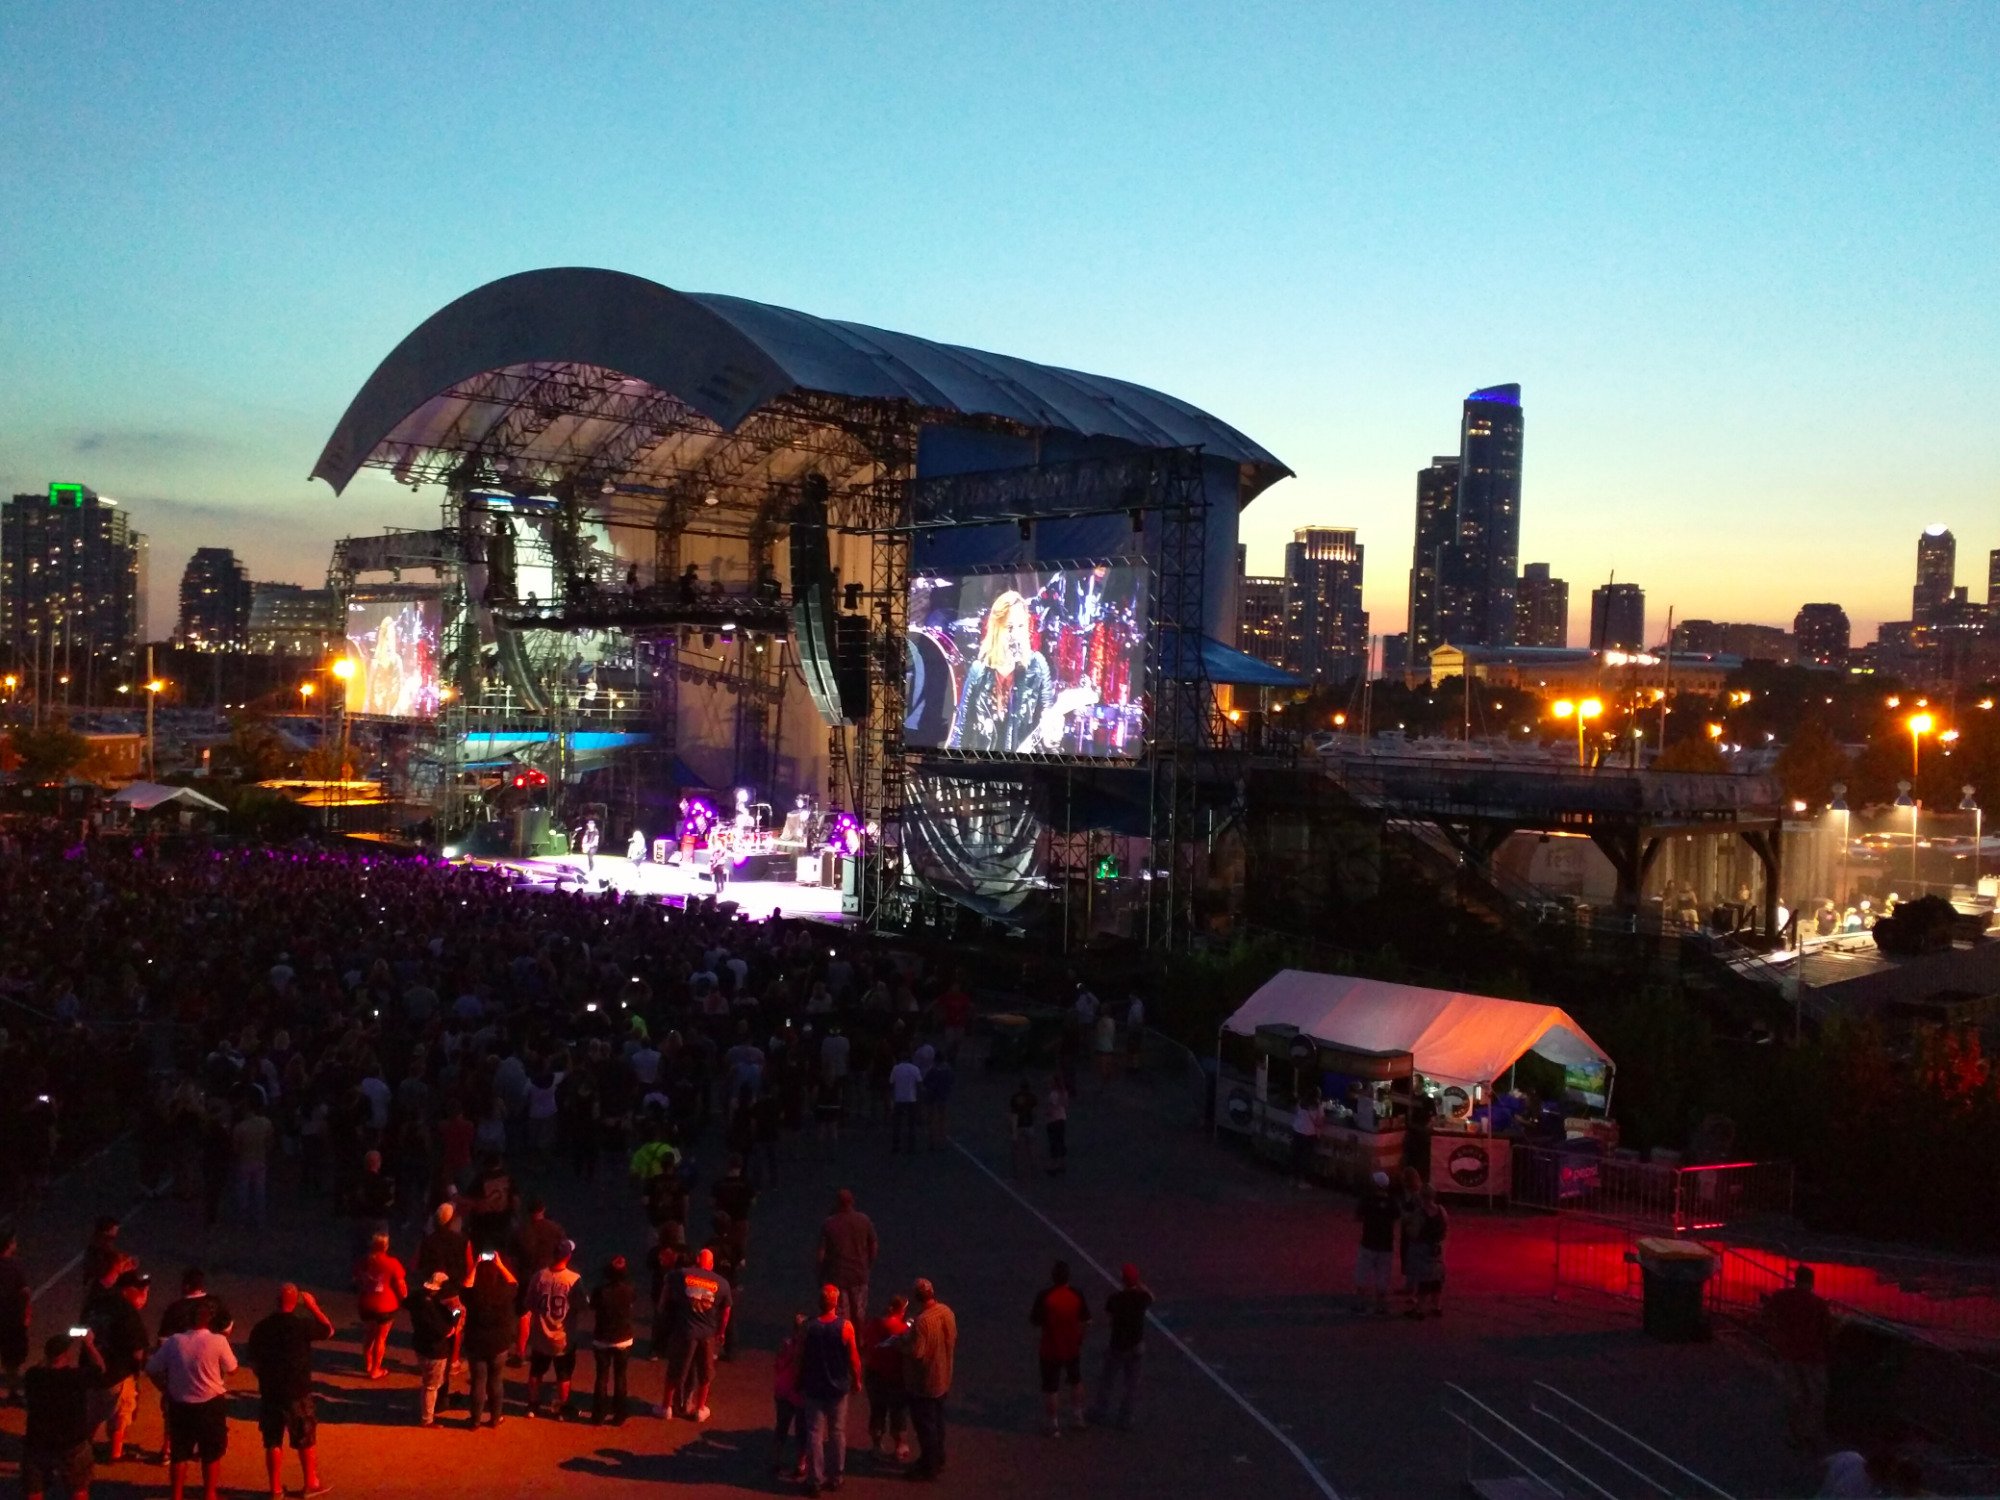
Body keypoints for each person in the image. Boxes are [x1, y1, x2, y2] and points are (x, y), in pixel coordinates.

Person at [947, 590, 1091, 752]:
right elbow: (960, 732)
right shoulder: (978, 671)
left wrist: (1053, 736)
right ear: (996, 630)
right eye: (1009, 627)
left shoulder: (1037, 666)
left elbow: (1047, 734)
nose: (1016, 634)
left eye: (1021, 626)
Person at [245, 1284, 333, 1499]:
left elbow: (254, 1362)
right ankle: (310, 1483)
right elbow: (328, 1330)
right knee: (305, 1438)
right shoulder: (300, 1325)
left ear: (276, 1301)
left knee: (272, 1440)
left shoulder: (261, 1328)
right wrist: (313, 1306)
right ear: (296, 1303)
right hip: (297, 1391)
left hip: (271, 1392)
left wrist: (265, 1378)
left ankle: (275, 1489)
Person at [146, 1300, 236, 1500]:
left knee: (179, 1453)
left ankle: (177, 1495)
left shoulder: (174, 1341)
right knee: (211, 1453)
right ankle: (209, 1494)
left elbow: (151, 1368)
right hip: (210, 1404)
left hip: (180, 1404)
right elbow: (233, 1368)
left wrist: (164, 1387)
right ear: (210, 1320)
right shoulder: (218, 1341)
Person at [796, 1283, 863, 1497]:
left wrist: (799, 1380)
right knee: (837, 1433)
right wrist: (857, 1380)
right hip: (837, 1388)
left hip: (814, 1387)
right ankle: (836, 1476)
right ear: (836, 1303)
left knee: (814, 1433)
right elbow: (853, 1358)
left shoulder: (808, 1326)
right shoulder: (845, 1327)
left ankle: (815, 1479)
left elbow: (799, 1357)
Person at [1763, 1264, 1835, 1453]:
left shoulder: (1781, 1297)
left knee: (1794, 1395)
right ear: (1811, 1282)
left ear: (1796, 1279)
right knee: (1816, 1396)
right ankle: (1810, 1434)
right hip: (1813, 1356)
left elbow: (1767, 1316)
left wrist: (1775, 1339)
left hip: (1788, 1353)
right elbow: (1827, 1330)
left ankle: (1794, 1433)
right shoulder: (1818, 1304)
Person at [23, 1331, 102, 1500]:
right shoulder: (76, 1377)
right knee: (78, 1489)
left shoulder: (33, 1376)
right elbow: (100, 1369)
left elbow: (39, 1367)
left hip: (38, 1442)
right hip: (72, 1443)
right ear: (66, 1354)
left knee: (34, 1490)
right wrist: (90, 1345)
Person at [659, 1247, 731, 1422]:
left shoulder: (682, 1274)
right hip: (707, 1333)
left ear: (698, 1260)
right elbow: (726, 1311)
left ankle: (666, 1408)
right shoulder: (722, 1283)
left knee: (675, 1369)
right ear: (712, 1264)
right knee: (705, 1372)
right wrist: (721, 1332)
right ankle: (700, 1409)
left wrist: (663, 1303)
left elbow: (667, 1280)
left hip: (685, 1330)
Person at [87, 1269, 150, 1464]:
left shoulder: (98, 1303)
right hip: (118, 1372)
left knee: (93, 1413)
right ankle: (115, 1453)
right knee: (121, 1413)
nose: (143, 1295)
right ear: (127, 1290)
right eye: (140, 1290)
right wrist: (139, 1369)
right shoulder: (128, 1312)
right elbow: (137, 1350)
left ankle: (84, 1447)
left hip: (92, 1368)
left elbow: (83, 1329)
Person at [900, 1278, 957, 1482]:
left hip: (925, 1382)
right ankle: (939, 1458)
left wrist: (902, 1345)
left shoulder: (923, 1321)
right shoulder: (946, 1312)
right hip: (943, 1377)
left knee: (925, 1426)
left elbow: (917, 1352)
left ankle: (928, 1465)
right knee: (939, 1422)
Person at [1085, 1263, 1151, 1430]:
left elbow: (1107, 1320)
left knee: (1107, 1380)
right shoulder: (1141, 1298)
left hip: (1118, 1346)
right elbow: (1151, 1296)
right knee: (1131, 1385)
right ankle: (1126, 1418)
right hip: (1136, 1346)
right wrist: (1139, 1283)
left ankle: (1100, 1411)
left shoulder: (1115, 1299)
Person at [1030, 1260, 1090, 1436]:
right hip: (1072, 1346)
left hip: (1050, 1348)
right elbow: (1087, 1320)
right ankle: (1078, 1416)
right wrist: (1080, 1337)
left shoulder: (1044, 1296)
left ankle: (1054, 1424)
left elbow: (1035, 1320)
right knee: (1076, 1380)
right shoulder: (1076, 1294)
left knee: (1051, 1388)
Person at [524, 1238, 581, 1419]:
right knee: (563, 1375)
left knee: (536, 1371)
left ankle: (533, 1405)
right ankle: (560, 1409)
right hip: (562, 1337)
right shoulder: (573, 1279)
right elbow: (582, 1306)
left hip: (541, 1334)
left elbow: (529, 1303)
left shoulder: (540, 1276)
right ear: (568, 1256)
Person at [461, 1251, 518, 1429]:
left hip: (476, 1343)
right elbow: (514, 1282)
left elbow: (465, 1285)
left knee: (478, 1381)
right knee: (496, 1380)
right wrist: (500, 1265)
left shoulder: (473, 1294)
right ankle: (495, 1418)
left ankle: (475, 1420)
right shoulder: (504, 1292)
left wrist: (475, 1266)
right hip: (499, 1343)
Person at [408, 1271, 464, 1428]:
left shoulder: (418, 1299)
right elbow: (446, 1331)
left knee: (428, 1381)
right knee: (432, 1385)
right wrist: (456, 1312)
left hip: (420, 1345)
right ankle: (427, 1419)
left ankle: (428, 1411)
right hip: (435, 1350)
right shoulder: (432, 1308)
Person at [860, 1294, 911, 1463]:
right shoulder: (902, 1330)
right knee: (898, 1413)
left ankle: (876, 1447)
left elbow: (865, 1342)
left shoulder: (874, 1323)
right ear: (902, 1310)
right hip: (895, 1377)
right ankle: (900, 1447)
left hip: (874, 1375)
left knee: (877, 1411)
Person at [816, 1189, 878, 1326]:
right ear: (852, 1201)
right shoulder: (864, 1220)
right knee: (860, 1314)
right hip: (859, 1275)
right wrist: (868, 1265)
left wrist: (820, 1275)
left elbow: (821, 1253)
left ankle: (844, 1343)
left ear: (837, 1203)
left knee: (843, 1316)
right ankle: (859, 1342)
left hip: (837, 1276)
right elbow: (873, 1244)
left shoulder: (829, 1223)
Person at [352, 1230, 407, 1380]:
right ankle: (376, 1369)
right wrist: (406, 1300)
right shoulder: (392, 1263)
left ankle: (368, 1364)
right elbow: (401, 1286)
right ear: (386, 1246)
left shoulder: (364, 1261)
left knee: (369, 1335)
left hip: (366, 1304)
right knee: (381, 1338)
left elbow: (356, 1279)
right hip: (386, 1306)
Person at [588, 1256, 636, 1426]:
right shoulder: (629, 1289)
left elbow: (592, 1306)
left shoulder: (600, 1290)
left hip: (602, 1337)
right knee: (620, 1376)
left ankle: (598, 1415)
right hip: (623, 1338)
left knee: (601, 1376)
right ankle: (620, 1414)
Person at [1354, 1170, 1398, 1316]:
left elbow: (1358, 1217)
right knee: (1383, 1275)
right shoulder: (1392, 1202)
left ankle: (1360, 1303)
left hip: (1368, 1242)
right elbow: (1397, 1217)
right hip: (1386, 1243)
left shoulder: (1367, 1200)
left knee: (1362, 1273)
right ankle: (1381, 1305)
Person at [772, 1312, 807, 1482]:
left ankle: (776, 1459)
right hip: (799, 1392)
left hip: (783, 1390)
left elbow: (778, 1366)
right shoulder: (807, 1349)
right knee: (802, 1430)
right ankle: (801, 1463)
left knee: (782, 1427)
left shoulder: (786, 1344)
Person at [1405, 1184, 1449, 1317]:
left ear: (1422, 1197)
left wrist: (1407, 1226)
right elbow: (1446, 1227)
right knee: (1437, 1279)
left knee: (1424, 1279)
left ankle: (1419, 1309)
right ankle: (1437, 1306)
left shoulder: (1420, 1213)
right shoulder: (1442, 1210)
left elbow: (1414, 1233)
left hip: (1422, 1249)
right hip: (1437, 1248)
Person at [0, 1232, 29, 1406]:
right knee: (12, 1359)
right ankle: (12, 1392)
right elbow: (24, 1292)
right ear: (9, 1245)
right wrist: (26, 1315)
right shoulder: (14, 1266)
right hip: (11, 1318)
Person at [889, 1053, 922, 1153]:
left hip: (899, 1098)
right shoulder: (915, 1069)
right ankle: (911, 1146)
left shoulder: (896, 1068)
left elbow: (891, 1083)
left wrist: (892, 1097)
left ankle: (896, 1144)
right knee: (911, 1124)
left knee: (897, 1123)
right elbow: (919, 1083)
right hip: (911, 1098)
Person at [1289, 1092, 1321, 1187]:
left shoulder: (1301, 1103)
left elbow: (1295, 1111)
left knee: (1295, 1156)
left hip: (1297, 1131)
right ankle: (1302, 1182)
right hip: (1308, 1134)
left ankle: (1292, 1180)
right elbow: (1319, 1121)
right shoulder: (1317, 1106)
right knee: (1305, 1158)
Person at [1009, 1080, 1037, 1176]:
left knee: (1016, 1149)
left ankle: (1017, 1170)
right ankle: (1033, 1168)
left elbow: (1014, 1114)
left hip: (1018, 1125)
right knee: (1031, 1147)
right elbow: (1034, 1112)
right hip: (1029, 1124)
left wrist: (1013, 1130)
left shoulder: (1015, 1098)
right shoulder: (1032, 1097)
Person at [1044, 1076, 1070, 1176]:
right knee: (1061, 1141)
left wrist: (1046, 1112)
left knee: (1053, 1143)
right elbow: (1065, 1105)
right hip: (1062, 1119)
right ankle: (1062, 1163)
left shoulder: (1053, 1094)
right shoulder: (1064, 1093)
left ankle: (1053, 1165)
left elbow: (1051, 1109)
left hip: (1053, 1120)